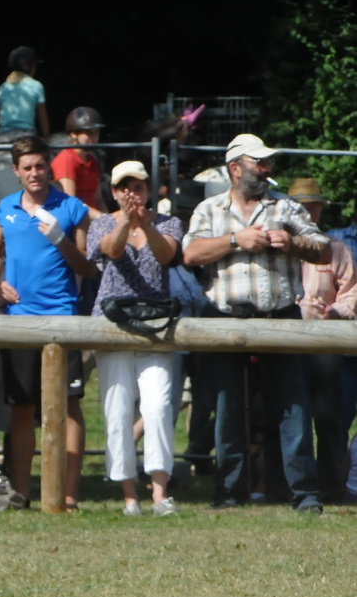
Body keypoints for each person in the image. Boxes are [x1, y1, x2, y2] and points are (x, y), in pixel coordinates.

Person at [182, 134, 330, 513]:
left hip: (280, 318)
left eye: (267, 164)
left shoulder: (286, 207)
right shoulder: (209, 209)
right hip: (226, 320)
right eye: (258, 163)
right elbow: (191, 253)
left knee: (292, 407)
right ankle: (229, 491)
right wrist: (235, 240)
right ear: (235, 169)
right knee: (227, 408)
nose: (267, 170)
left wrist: (292, 242)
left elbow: (324, 249)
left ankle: (303, 494)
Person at [0, 136, 98, 508]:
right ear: (17, 171)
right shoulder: (7, 207)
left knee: (68, 407)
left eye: (40, 166)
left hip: (62, 318)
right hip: (19, 321)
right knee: (22, 408)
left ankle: (68, 494)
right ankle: (21, 491)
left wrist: (59, 238)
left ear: (49, 167)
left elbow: (86, 267)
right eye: (27, 167)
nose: (35, 173)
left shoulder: (71, 207)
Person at [86, 161, 184, 516]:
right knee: (117, 410)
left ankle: (160, 493)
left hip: (155, 326)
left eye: (138, 186)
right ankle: (129, 495)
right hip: (112, 326)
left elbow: (166, 255)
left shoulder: (168, 223)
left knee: (157, 405)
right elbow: (110, 250)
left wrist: (146, 225)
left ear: (148, 189)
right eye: (124, 187)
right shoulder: (101, 224)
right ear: (113, 192)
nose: (132, 193)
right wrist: (127, 221)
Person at [289, 177, 357, 502]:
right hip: (286, 340)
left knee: (330, 418)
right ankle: (288, 485)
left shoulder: (337, 250)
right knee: (290, 417)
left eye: (314, 206)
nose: (309, 212)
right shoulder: (280, 249)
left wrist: (335, 311)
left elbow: (352, 292)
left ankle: (332, 486)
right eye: (303, 207)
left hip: (326, 343)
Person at [53, 107, 106, 212]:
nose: (93, 137)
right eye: (88, 132)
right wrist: (101, 218)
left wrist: (108, 220)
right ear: (73, 134)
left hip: (95, 221)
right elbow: (71, 203)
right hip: (78, 221)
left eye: (96, 132)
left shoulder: (92, 160)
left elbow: (99, 200)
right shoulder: (67, 159)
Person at [0, 46, 48, 141]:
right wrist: (46, 138)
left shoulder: (3, 87)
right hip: (27, 135)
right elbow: (42, 118)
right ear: (29, 66)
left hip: (3, 136)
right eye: (34, 65)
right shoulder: (36, 86)